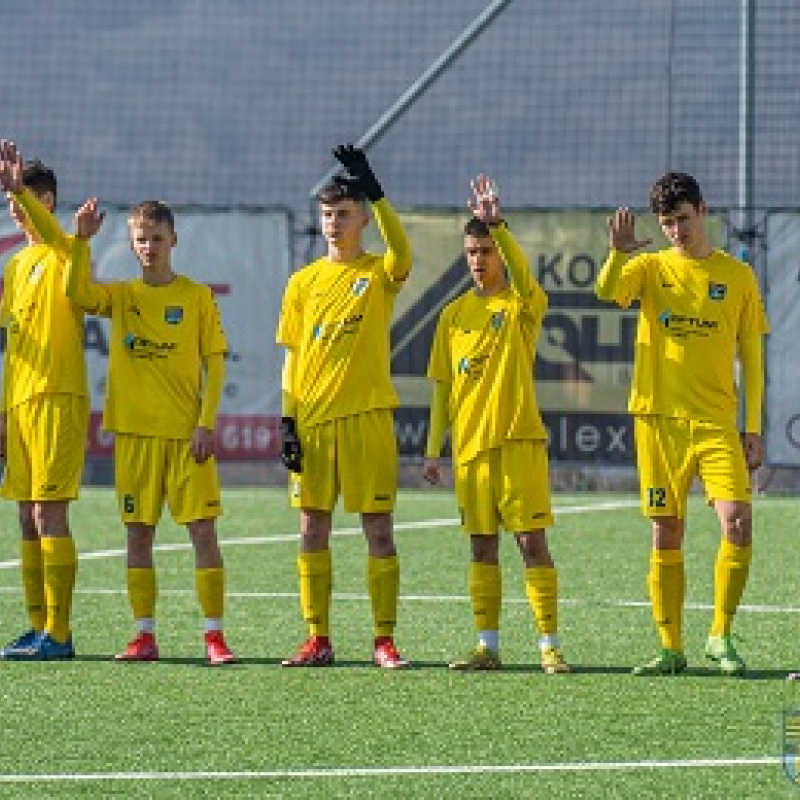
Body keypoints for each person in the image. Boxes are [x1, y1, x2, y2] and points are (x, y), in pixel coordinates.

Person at [8, 152, 236, 664]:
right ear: (131, 245)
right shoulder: (120, 295)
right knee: (136, 537)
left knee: (202, 533)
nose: (149, 247)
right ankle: (142, 634)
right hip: (132, 434)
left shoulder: (196, 297)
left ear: (173, 240)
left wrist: (206, 422)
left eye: (157, 238)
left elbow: (215, 364)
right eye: (141, 239)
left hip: (183, 436)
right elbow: (80, 295)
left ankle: (214, 635)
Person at [595, 172, 769, 676]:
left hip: (716, 424)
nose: (676, 231)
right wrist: (618, 253)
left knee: (737, 522)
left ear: (703, 211)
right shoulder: (648, 267)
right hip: (658, 422)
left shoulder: (737, 276)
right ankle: (670, 647)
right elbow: (609, 291)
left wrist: (751, 426)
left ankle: (720, 634)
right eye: (668, 223)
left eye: (683, 219)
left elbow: (752, 360)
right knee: (666, 532)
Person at [422, 175, 570, 674]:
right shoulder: (452, 316)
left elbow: (527, 280)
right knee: (481, 546)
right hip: (470, 452)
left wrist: (498, 224)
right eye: (471, 251)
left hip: (519, 443)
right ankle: (487, 646)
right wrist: (432, 450)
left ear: (501, 253)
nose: (478, 259)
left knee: (532, 544)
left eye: (486, 249)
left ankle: (549, 644)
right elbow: (442, 388)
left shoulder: (522, 305)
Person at [276, 144, 412, 668]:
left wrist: (375, 190)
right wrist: (287, 418)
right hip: (311, 424)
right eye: (327, 214)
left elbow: (403, 248)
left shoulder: (379, 271)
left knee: (378, 529)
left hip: (367, 419)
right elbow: (291, 356)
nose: (333, 223)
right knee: (312, 529)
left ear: (363, 221)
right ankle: (318, 638)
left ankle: (384, 639)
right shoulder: (302, 282)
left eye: (344, 215)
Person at [0, 141, 87, 660]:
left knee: (49, 513)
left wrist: (19, 192)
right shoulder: (16, 265)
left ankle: (60, 631)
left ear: (47, 200)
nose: (14, 210)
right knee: (25, 516)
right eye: (11, 203)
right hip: (21, 402)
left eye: (24, 200)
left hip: (57, 396)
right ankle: (37, 627)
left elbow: (57, 238)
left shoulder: (67, 248)